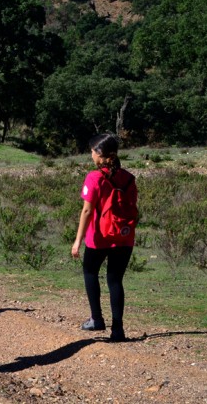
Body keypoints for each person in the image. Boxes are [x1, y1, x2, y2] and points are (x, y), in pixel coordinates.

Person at [71, 133, 137, 342]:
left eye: (92, 151)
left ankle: (96, 319)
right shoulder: (128, 178)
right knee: (115, 280)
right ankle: (118, 330)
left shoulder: (94, 177)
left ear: (100, 154)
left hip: (99, 237)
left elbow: (87, 211)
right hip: (124, 236)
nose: (91, 154)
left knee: (90, 272)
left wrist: (77, 240)